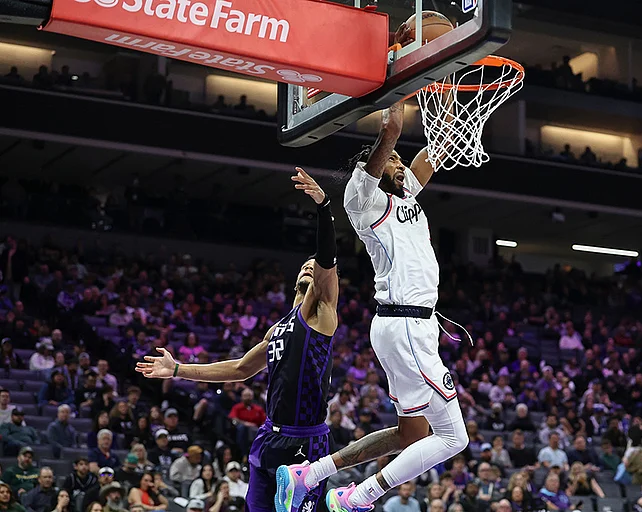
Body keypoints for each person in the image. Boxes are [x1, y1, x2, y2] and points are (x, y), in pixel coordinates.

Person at [277, 99, 468, 512]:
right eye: (392, 161)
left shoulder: (406, 196)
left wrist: (447, 106)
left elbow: (434, 151)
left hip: (412, 327)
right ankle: (355, 496)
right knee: (454, 437)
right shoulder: (362, 200)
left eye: (401, 162)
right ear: (376, 169)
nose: (399, 165)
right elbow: (389, 135)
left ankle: (308, 474)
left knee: (411, 433)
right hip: (406, 327)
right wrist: (398, 97)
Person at [137, 168, 339, 512]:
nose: (309, 267)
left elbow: (325, 261)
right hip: (269, 434)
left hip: (306, 440)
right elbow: (241, 368)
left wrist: (323, 207)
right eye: (303, 265)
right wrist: (178, 370)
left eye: (313, 265)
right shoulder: (277, 329)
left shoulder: (322, 312)